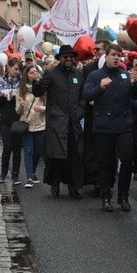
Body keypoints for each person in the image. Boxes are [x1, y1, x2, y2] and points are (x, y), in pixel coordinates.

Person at [84, 44, 137, 212]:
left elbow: (135, 99)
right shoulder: (95, 76)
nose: (117, 58)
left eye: (119, 55)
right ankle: (106, 197)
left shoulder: (124, 76)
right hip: (104, 127)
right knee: (106, 163)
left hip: (123, 126)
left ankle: (123, 197)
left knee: (127, 160)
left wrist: (134, 84)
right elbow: (86, 96)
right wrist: (100, 87)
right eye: (113, 55)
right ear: (106, 57)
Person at [32, 45, 84, 198]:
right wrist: (37, 82)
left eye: (70, 56)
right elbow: (38, 92)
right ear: (60, 58)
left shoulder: (79, 74)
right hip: (57, 122)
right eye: (65, 57)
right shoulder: (51, 74)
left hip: (73, 122)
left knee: (74, 156)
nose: (68, 59)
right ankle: (55, 183)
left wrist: (80, 112)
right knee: (56, 157)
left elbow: (83, 97)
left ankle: (74, 187)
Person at [81, 39, 110, 193]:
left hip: (110, 116)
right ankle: (95, 179)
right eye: (95, 49)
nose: (96, 52)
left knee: (107, 149)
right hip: (92, 113)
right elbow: (84, 90)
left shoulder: (114, 69)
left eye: (98, 49)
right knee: (92, 148)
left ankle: (107, 179)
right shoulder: (88, 69)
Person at [16, 65, 46, 188]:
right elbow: (18, 111)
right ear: (26, 75)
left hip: (40, 124)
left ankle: (32, 172)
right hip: (26, 124)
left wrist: (42, 108)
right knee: (29, 150)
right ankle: (29, 177)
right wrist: (22, 105)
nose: (34, 74)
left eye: (36, 72)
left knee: (37, 151)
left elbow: (49, 106)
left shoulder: (43, 89)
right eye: (31, 72)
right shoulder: (21, 90)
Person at [0, 58, 23, 185]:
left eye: (19, 69)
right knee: (7, 146)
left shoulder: (22, 81)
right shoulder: (1, 81)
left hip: (18, 118)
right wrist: (3, 97)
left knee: (17, 147)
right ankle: (4, 172)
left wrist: (18, 97)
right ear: (9, 67)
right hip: (5, 118)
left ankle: (15, 174)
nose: (17, 71)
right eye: (15, 69)